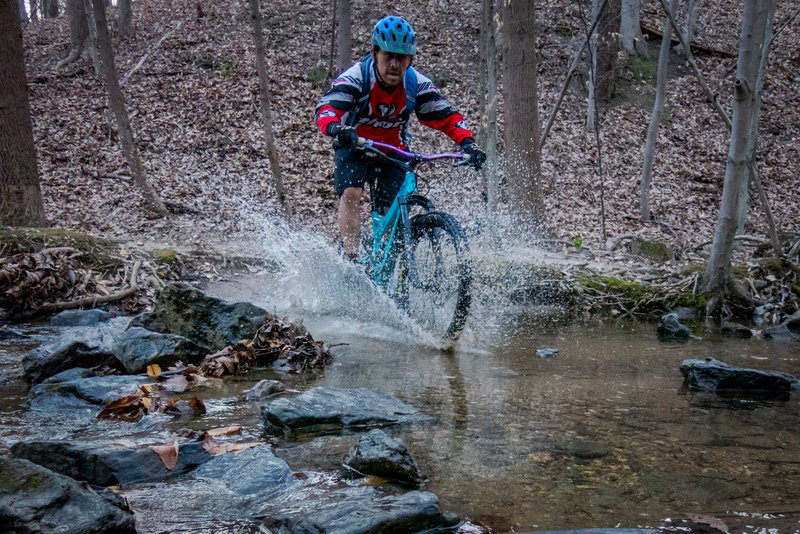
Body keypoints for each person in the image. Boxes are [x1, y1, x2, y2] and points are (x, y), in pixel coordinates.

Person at [314, 15, 486, 261]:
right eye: (388, 56)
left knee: (393, 212)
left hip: (393, 150)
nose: (394, 64)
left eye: (401, 58)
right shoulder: (357, 77)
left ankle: (389, 266)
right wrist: (337, 128)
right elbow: (326, 109)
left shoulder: (416, 83)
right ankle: (350, 258)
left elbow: (447, 117)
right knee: (351, 193)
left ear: (410, 60)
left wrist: (468, 143)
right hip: (355, 143)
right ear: (374, 53)